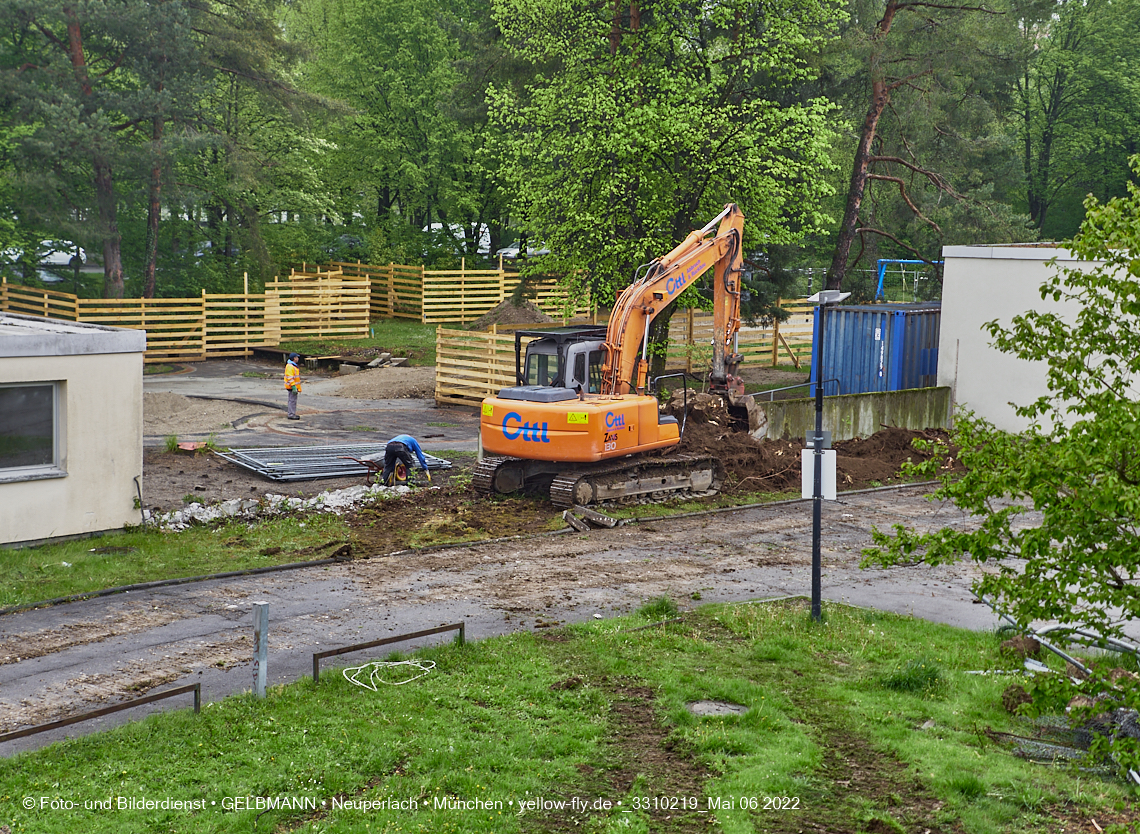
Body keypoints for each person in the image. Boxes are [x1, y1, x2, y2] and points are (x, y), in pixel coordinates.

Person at [284, 353, 302, 420]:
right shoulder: (291, 367)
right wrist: (294, 386)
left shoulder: (292, 366)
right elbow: (290, 378)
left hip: (292, 386)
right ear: (294, 358)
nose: (298, 359)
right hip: (292, 387)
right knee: (292, 401)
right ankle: (291, 414)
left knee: (292, 400)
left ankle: (292, 413)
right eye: (297, 357)